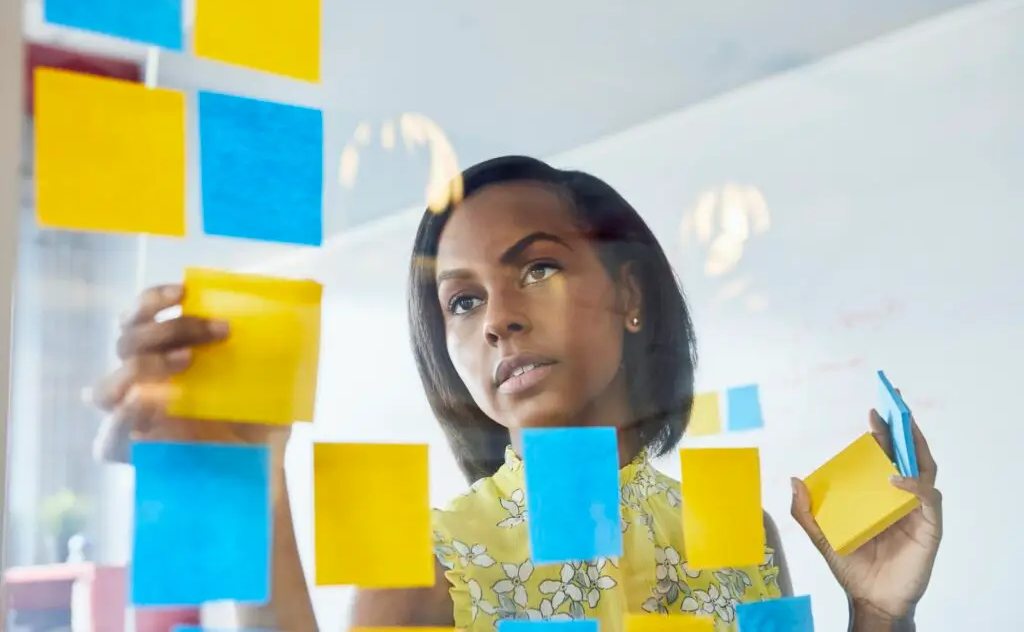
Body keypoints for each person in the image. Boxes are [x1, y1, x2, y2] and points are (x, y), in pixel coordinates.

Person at [91, 156, 942, 631]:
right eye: (461, 300)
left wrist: (879, 614)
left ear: (634, 296)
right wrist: (253, 500)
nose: (498, 319)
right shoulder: (428, 561)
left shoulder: (744, 533)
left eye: (537, 268)